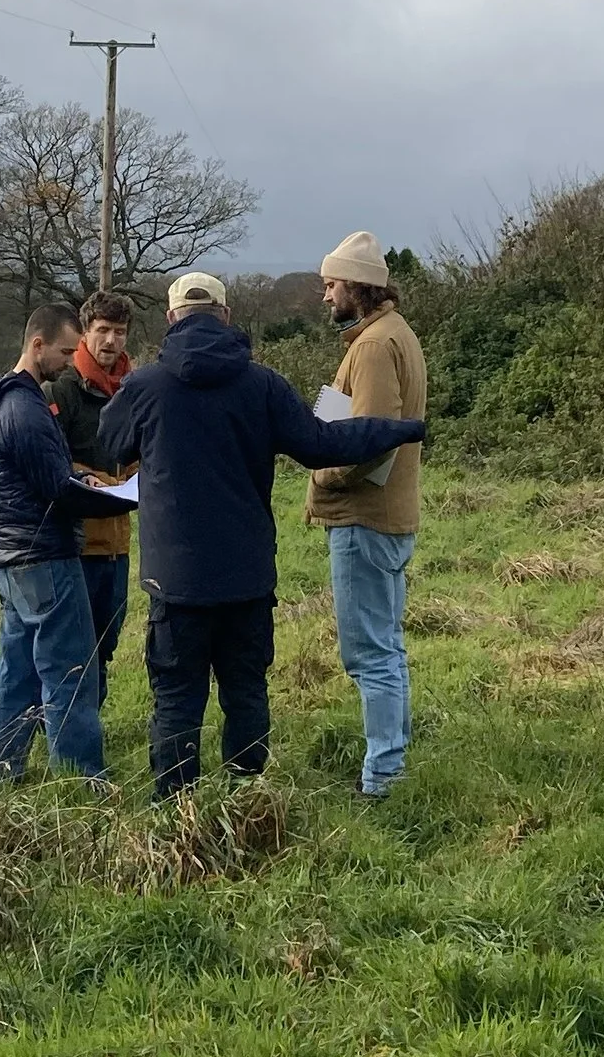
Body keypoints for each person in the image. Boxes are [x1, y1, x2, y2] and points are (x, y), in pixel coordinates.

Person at [94, 269, 425, 797]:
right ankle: (247, 803)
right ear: (226, 317)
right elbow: (323, 443)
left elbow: (110, 446)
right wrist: (405, 427)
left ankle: (177, 813)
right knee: (246, 692)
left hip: (174, 582)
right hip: (247, 578)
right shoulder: (262, 384)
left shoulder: (144, 386)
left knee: (177, 697)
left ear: (172, 318)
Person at [0, 304, 121, 784]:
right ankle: (81, 779)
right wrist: (123, 499)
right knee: (71, 672)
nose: (73, 360)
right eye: (68, 350)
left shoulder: (6, 402)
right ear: (38, 344)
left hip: (13, 557)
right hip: (44, 555)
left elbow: (51, 472)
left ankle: (2, 774)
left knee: (18, 672)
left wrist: (80, 474)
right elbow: (58, 490)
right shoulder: (25, 409)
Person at [306, 231, 428, 800]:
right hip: (387, 515)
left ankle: (382, 778)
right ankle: (392, 766)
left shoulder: (376, 345)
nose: (325, 296)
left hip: (365, 518)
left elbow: (372, 439)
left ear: (357, 285)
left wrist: (324, 473)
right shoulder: (386, 334)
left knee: (369, 653)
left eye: (331, 284)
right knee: (387, 645)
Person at [46, 290, 136, 705]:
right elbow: (53, 460)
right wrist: (92, 478)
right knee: (73, 648)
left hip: (119, 543)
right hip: (78, 544)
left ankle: (88, 724)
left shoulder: (133, 389)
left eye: (119, 332)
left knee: (107, 642)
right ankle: (69, 733)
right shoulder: (61, 390)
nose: (111, 341)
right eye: (102, 330)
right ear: (85, 333)